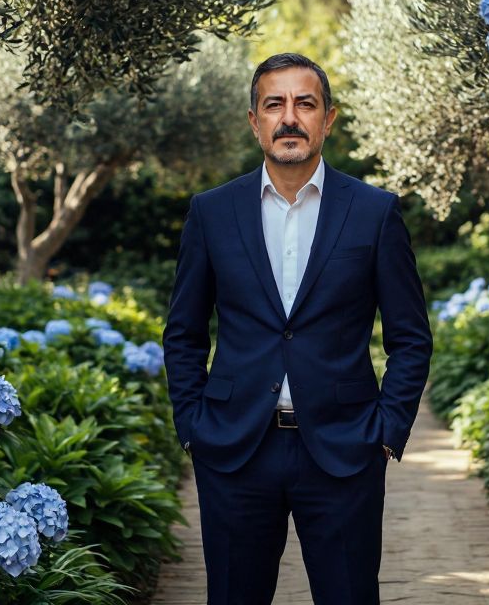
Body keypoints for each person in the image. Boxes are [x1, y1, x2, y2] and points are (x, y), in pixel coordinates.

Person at [162, 52, 433, 603]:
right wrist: (193, 424)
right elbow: (184, 332)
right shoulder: (212, 212)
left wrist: (385, 431)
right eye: (275, 104)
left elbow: (410, 336)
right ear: (255, 120)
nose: (290, 117)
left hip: (344, 452)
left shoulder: (374, 212)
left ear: (328, 119)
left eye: (305, 104)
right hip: (234, 449)